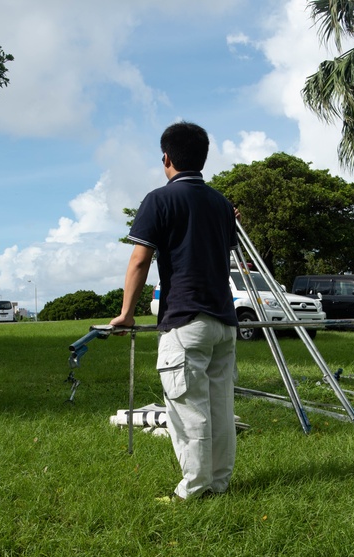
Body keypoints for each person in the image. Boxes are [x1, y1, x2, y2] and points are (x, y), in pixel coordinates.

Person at [110, 121, 239, 501]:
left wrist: (126, 313)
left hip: (186, 321)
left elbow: (139, 260)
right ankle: (218, 483)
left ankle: (193, 490)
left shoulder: (159, 199)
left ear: (166, 158)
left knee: (188, 410)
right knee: (219, 407)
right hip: (224, 322)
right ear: (203, 157)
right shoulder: (221, 204)